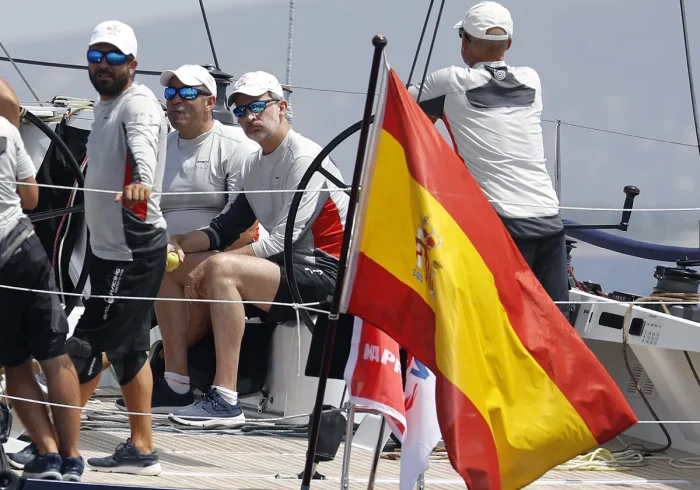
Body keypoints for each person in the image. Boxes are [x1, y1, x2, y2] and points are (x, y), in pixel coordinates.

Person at [165, 71, 349, 427]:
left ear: (281, 108)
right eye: (240, 111)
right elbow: (223, 229)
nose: (249, 117)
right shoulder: (254, 163)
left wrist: (212, 264)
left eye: (258, 107)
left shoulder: (305, 157)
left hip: (326, 275)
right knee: (169, 264)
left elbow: (282, 240)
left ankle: (225, 399)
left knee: (221, 269)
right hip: (282, 273)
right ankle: (176, 384)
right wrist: (181, 243)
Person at [407, 1, 570, 318]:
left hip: (502, 225)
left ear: (465, 41)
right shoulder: (531, 81)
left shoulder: (449, 82)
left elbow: (399, 110)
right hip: (550, 221)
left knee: (492, 326)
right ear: (509, 44)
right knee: (554, 327)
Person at [113, 64, 260, 414]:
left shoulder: (235, 145)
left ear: (210, 102)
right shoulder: (160, 148)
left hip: (225, 253)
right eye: (171, 94)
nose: (176, 101)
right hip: (169, 253)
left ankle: (168, 376)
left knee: (165, 268)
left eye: (188, 94)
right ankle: (172, 382)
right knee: (148, 268)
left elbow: (243, 226)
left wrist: (204, 259)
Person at [63, 20, 168, 475]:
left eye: (112, 58)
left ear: (133, 64)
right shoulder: (104, 105)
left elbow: (143, 148)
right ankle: (141, 451)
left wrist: (143, 183)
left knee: (86, 345)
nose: (102, 65)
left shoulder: (138, 102)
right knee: (130, 350)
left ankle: (56, 446)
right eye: (95, 56)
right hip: (111, 250)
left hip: (133, 247)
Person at [0, 79, 84, 481]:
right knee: (53, 355)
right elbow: (30, 200)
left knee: (15, 364)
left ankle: (47, 454)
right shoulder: (7, 131)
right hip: (25, 251)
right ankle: (71, 458)